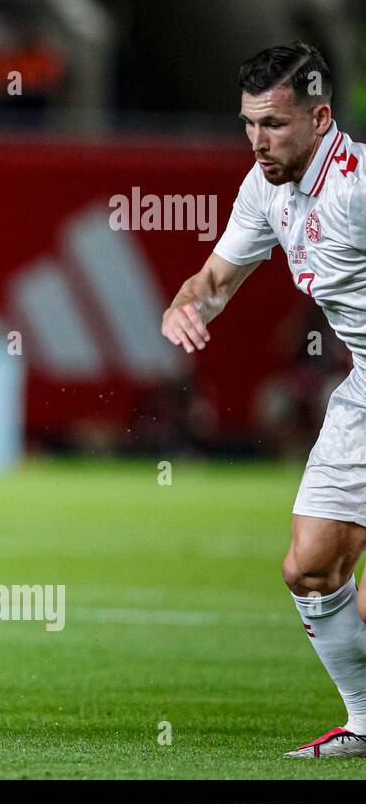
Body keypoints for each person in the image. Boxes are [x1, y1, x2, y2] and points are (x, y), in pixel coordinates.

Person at [161, 42, 366, 757]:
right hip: (364, 390)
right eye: (248, 124)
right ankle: (363, 724)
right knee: (309, 568)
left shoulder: (359, 187)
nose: (257, 141)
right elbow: (214, 281)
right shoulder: (264, 189)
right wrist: (185, 305)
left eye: (274, 125)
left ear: (320, 118)